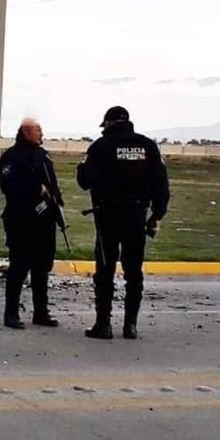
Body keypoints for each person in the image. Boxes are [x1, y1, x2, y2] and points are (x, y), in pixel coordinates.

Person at [77, 106, 170, 340]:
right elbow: (161, 186)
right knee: (134, 272)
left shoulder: (101, 146)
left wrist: (81, 167)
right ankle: (130, 326)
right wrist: (156, 215)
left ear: (108, 124)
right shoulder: (148, 146)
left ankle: (103, 325)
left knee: (105, 270)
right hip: (137, 216)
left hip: (107, 217)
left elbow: (85, 181)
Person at [0, 118, 63, 329]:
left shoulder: (43, 155)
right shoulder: (10, 157)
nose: (41, 133)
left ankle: (41, 312)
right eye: (37, 130)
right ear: (26, 132)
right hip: (21, 219)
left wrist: (55, 200)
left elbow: (52, 183)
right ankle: (11, 314)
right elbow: (9, 185)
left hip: (45, 220)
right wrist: (37, 188)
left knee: (42, 267)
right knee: (19, 267)